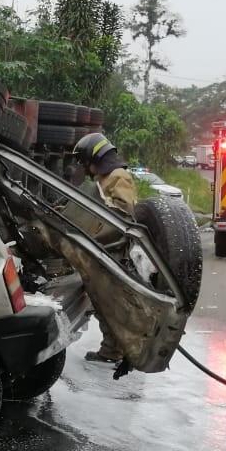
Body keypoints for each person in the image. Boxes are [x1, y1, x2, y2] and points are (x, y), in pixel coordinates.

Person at [72, 131, 137, 363]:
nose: (85, 167)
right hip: (103, 250)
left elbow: (123, 213)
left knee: (111, 305)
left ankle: (113, 351)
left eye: (85, 161)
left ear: (94, 157)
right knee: (102, 304)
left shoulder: (118, 177)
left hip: (114, 252)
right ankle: (112, 349)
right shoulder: (104, 179)